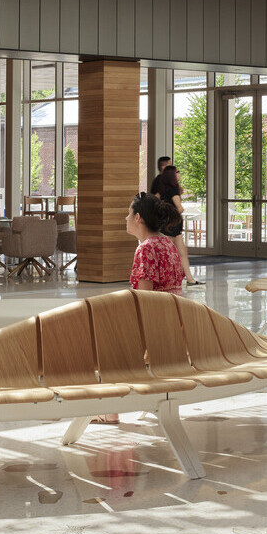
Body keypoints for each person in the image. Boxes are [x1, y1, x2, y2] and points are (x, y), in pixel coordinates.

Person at [97, 192, 190, 425]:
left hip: (155, 325)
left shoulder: (146, 249)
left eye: (128, 214)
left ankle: (109, 410)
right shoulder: (167, 244)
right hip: (173, 322)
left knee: (104, 341)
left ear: (138, 218)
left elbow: (145, 299)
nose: (125, 218)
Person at [149, 159, 192, 277]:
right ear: (172, 175)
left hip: (168, 224)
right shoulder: (173, 190)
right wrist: (172, 214)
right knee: (170, 253)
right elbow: (180, 208)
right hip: (173, 225)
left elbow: (154, 201)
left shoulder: (162, 189)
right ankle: (162, 276)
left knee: (181, 252)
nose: (179, 174)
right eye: (177, 172)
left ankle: (189, 278)